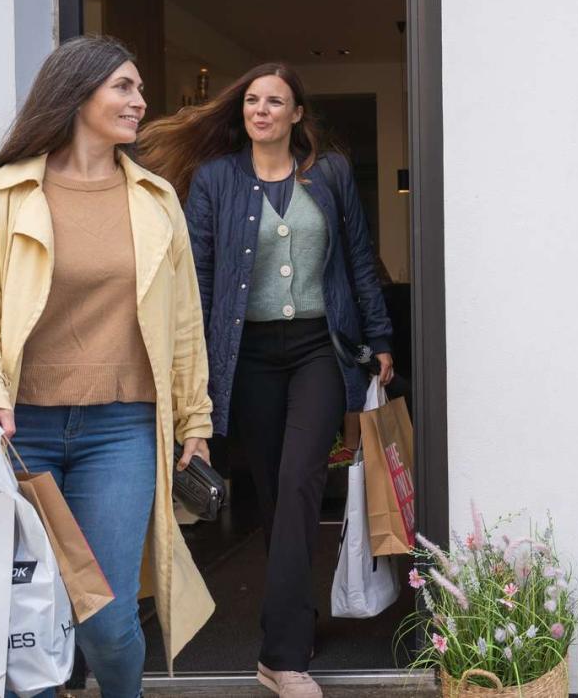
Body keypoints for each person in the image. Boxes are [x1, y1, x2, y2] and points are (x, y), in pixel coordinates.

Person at [0, 36, 215, 698]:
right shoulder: (3, 196)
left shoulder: (155, 201)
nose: (140, 101)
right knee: (17, 622)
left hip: (120, 431)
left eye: (139, 88)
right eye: (124, 86)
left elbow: (184, 325)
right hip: (18, 434)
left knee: (111, 620)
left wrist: (194, 420)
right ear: (77, 93)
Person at [138, 62, 393, 698]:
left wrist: (380, 340)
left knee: (303, 480)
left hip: (316, 349)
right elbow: (195, 275)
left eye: (275, 101)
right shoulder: (217, 180)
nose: (261, 110)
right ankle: (297, 618)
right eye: (252, 100)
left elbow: (360, 260)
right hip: (245, 355)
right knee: (277, 497)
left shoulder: (328, 175)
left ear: (297, 113)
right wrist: (186, 365)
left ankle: (281, 658)